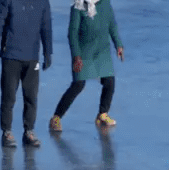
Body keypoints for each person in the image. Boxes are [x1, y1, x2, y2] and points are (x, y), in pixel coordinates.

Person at [48, 0, 123, 133]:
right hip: (83, 53)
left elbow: (112, 24)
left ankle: (102, 114)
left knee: (109, 81)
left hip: (101, 51)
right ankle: (56, 117)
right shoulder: (78, 7)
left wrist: (118, 44)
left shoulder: (105, 4)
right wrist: (76, 56)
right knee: (78, 84)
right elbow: (72, 33)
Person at [0, 0, 53, 148]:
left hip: (31, 57)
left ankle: (29, 131)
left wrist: (48, 52)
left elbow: (46, 26)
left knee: (31, 96)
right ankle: (7, 132)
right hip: (11, 55)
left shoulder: (42, 2)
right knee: (9, 96)